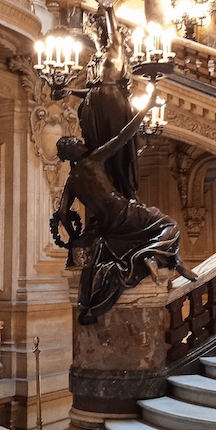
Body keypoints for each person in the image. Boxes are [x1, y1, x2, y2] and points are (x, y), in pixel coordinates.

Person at [55, 93, 196, 324]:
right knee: (168, 224)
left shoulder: (72, 180)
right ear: (73, 151)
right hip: (124, 212)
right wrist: (147, 106)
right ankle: (149, 256)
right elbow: (124, 135)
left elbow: (62, 213)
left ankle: (160, 258)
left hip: (108, 224)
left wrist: (73, 238)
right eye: (76, 143)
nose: (82, 143)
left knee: (157, 226)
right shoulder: (94, 160)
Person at [62, 0, 140, 200]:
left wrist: (109, 11)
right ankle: (107, 199)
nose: (94, 36)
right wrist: (68, 91)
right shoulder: (94, 61)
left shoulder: (115, 52)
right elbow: (91, 90)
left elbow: (116, 36)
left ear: (104, 33)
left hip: (112, 106)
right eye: (92, 33)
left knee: (117, 151)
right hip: (93, 107)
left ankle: (128, 197)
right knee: (99, 154)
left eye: (97, 32)